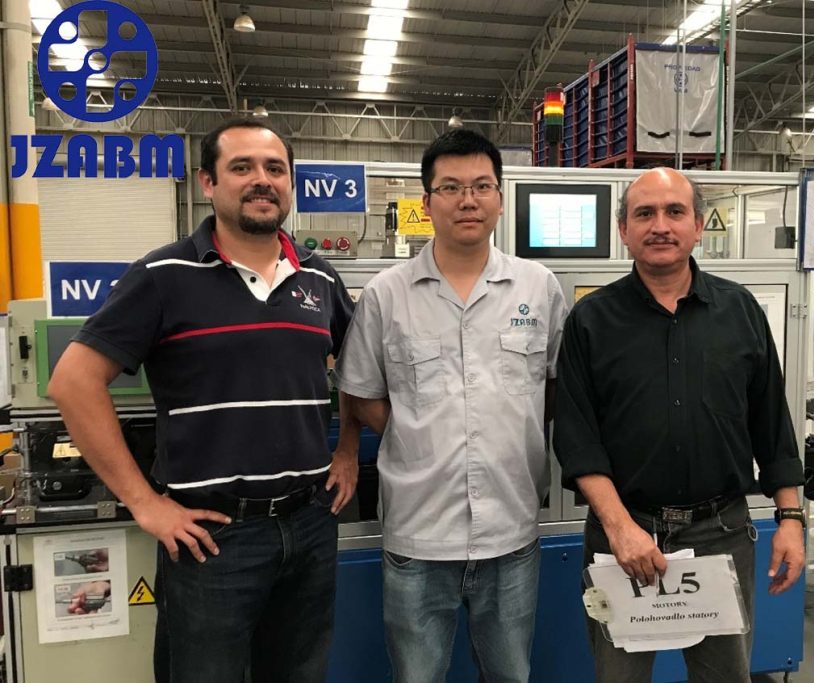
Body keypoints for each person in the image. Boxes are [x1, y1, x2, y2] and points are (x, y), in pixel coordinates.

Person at [48, 117, 355, 683]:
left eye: (275, 169)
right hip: (212, 538)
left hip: (310, 525)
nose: (261, 180)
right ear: (208, 183)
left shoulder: (320, 278)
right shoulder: (162, 276)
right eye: (242, 167)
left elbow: (358, 371)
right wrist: (144, 503)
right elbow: (72, 382)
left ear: (290, 184)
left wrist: (349, 450)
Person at [553, 167, 805, 683]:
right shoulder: (590, 320)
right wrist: (620, 529)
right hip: (623, 535)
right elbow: (577, 438)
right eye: (644, 213)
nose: (660, 226)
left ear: (697, 226)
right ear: (623, 230)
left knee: (725, 677)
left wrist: (791, 518)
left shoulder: (740, 311)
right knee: (619, 677)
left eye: (674, 212)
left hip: (722, 533)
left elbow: (771, 424)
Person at [338, 129, 567, 682]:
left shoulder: (538, 288)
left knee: (510, 674)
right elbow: (362, 392)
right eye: (451, 187)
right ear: (427, 202)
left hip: (511, 531)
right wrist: (419, 436)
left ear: (500, 199)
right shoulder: (386, 294)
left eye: (482, 186)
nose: (468, 200)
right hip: (418, 536)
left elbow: (555, 388)